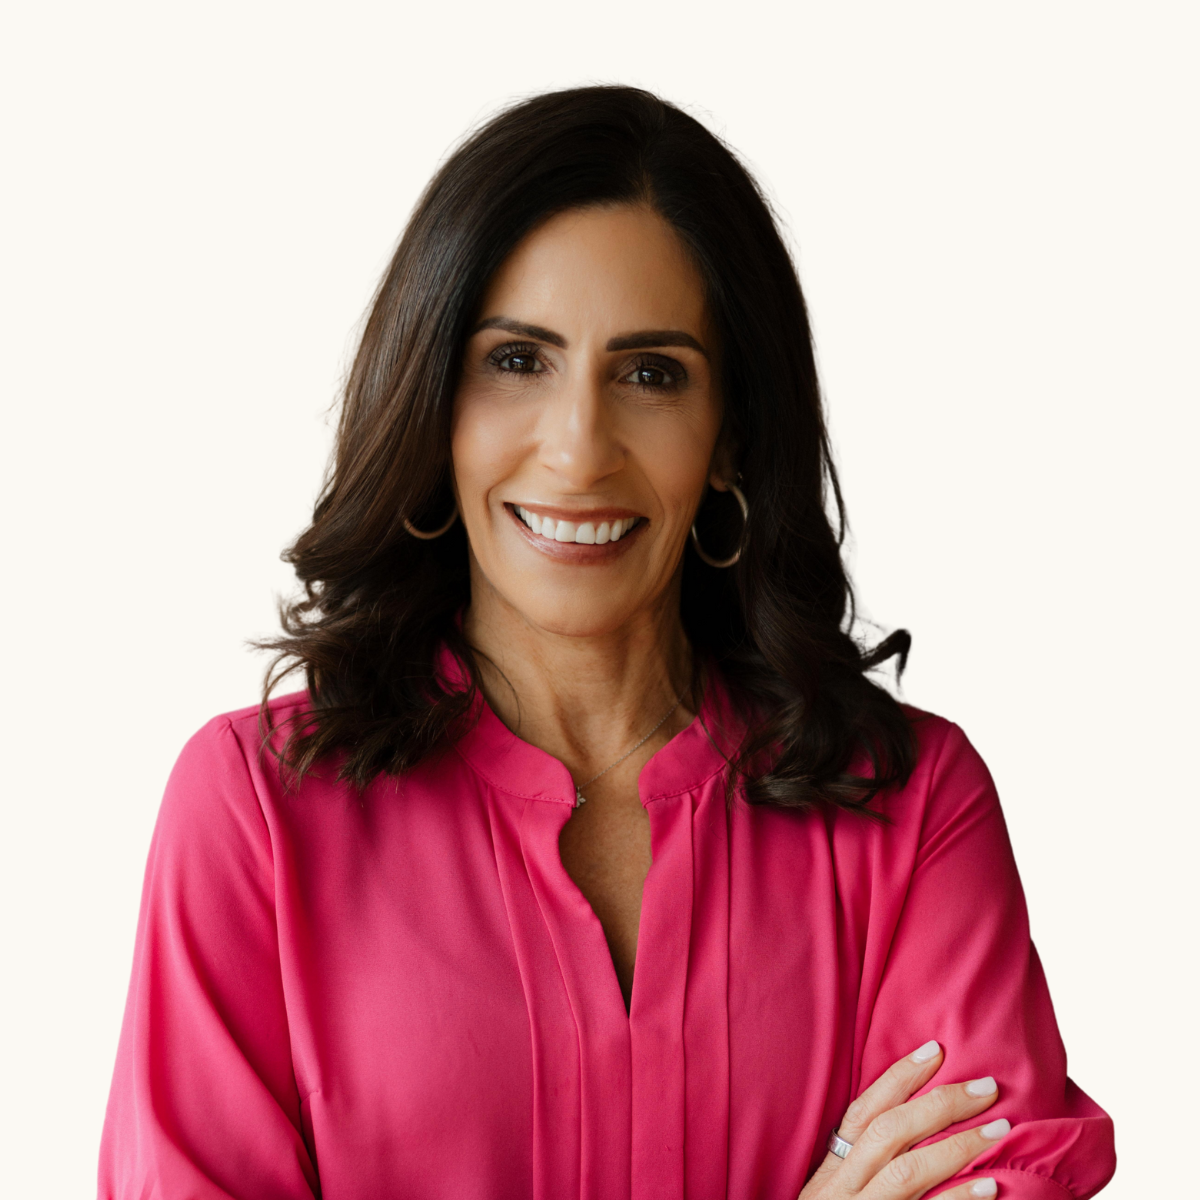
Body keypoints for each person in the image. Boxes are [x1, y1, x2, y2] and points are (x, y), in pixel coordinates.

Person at [98, 87, 1115, 1200]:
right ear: (434, 405)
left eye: (650, 374)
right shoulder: (256, 813)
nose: (579, 451)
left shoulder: (912, 810)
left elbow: (1008, 1176)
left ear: (731, 437)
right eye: (516, 361)